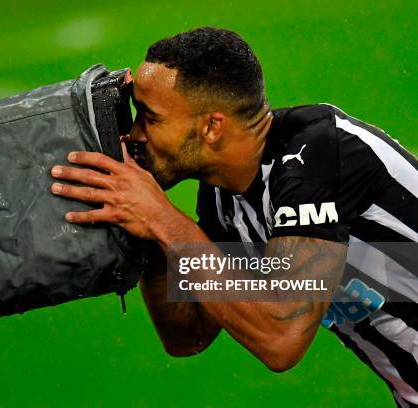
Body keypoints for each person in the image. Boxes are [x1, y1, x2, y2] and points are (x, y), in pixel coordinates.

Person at [50, 27, 417, 407]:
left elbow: (281, 337)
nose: (134, 135)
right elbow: (188, 335)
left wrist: (163, 220)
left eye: (150, 118)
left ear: (211, 126)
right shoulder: (224, 195)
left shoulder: (320, 156)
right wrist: (146, 233)